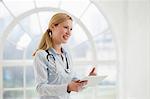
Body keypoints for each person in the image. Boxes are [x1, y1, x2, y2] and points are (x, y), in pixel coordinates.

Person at [33, 12, 96, 99]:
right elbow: (40, 88)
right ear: (52, 27)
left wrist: (88, 80)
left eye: (71, 29)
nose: (69, 33)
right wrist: (68, 87)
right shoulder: (41, 55)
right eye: (66, 27)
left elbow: (73, 81)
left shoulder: (67, 54)